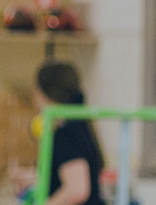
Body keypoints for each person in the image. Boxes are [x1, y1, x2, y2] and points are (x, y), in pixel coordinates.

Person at [24, 62, 106, 205]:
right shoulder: (79, 127)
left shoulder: (67, 134)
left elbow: (77, 190)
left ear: (44, 94)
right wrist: (34, 178)